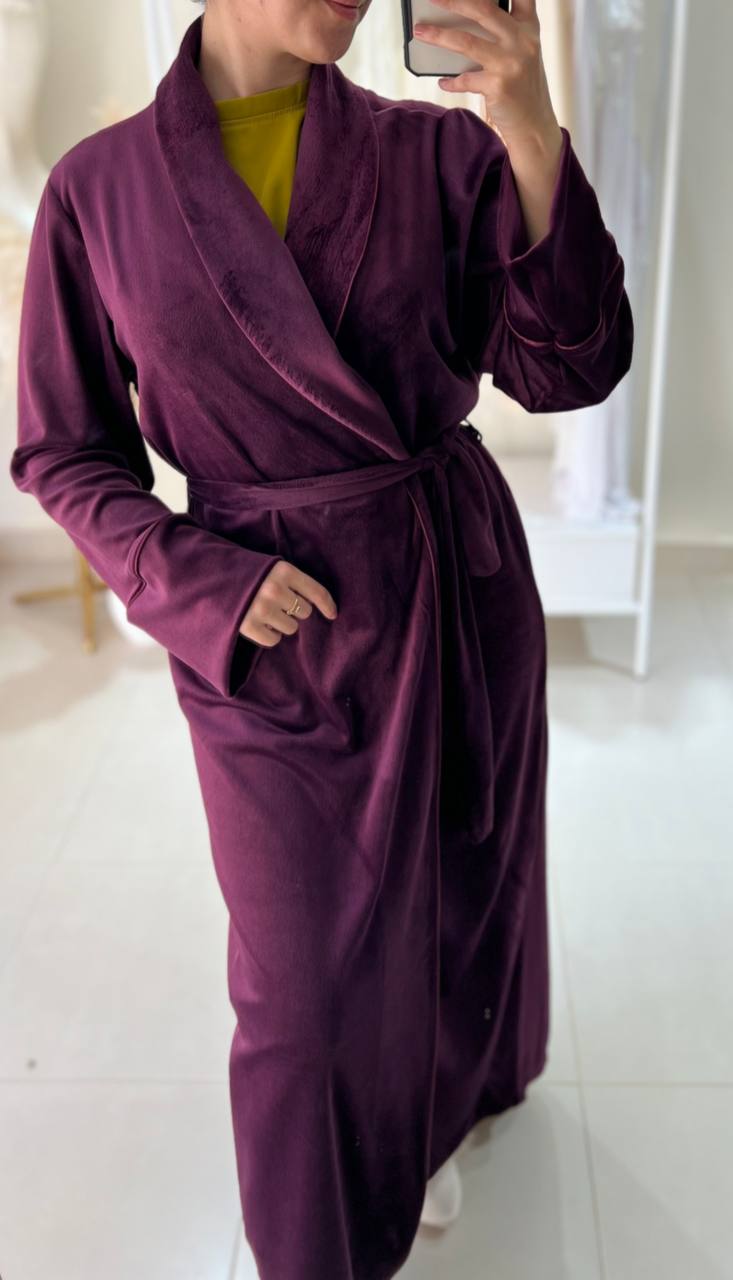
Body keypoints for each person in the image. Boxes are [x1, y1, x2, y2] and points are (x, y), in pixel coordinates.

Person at [9, 1, 633, 1276]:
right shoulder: (99, 192)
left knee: (467, 884)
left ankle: (443, 1110)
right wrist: (192, 577)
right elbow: (62, 448)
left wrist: (529, 133)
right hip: (269, 623)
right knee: (301, 993)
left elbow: (570, 369)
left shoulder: (437, 152)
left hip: (451, 578)